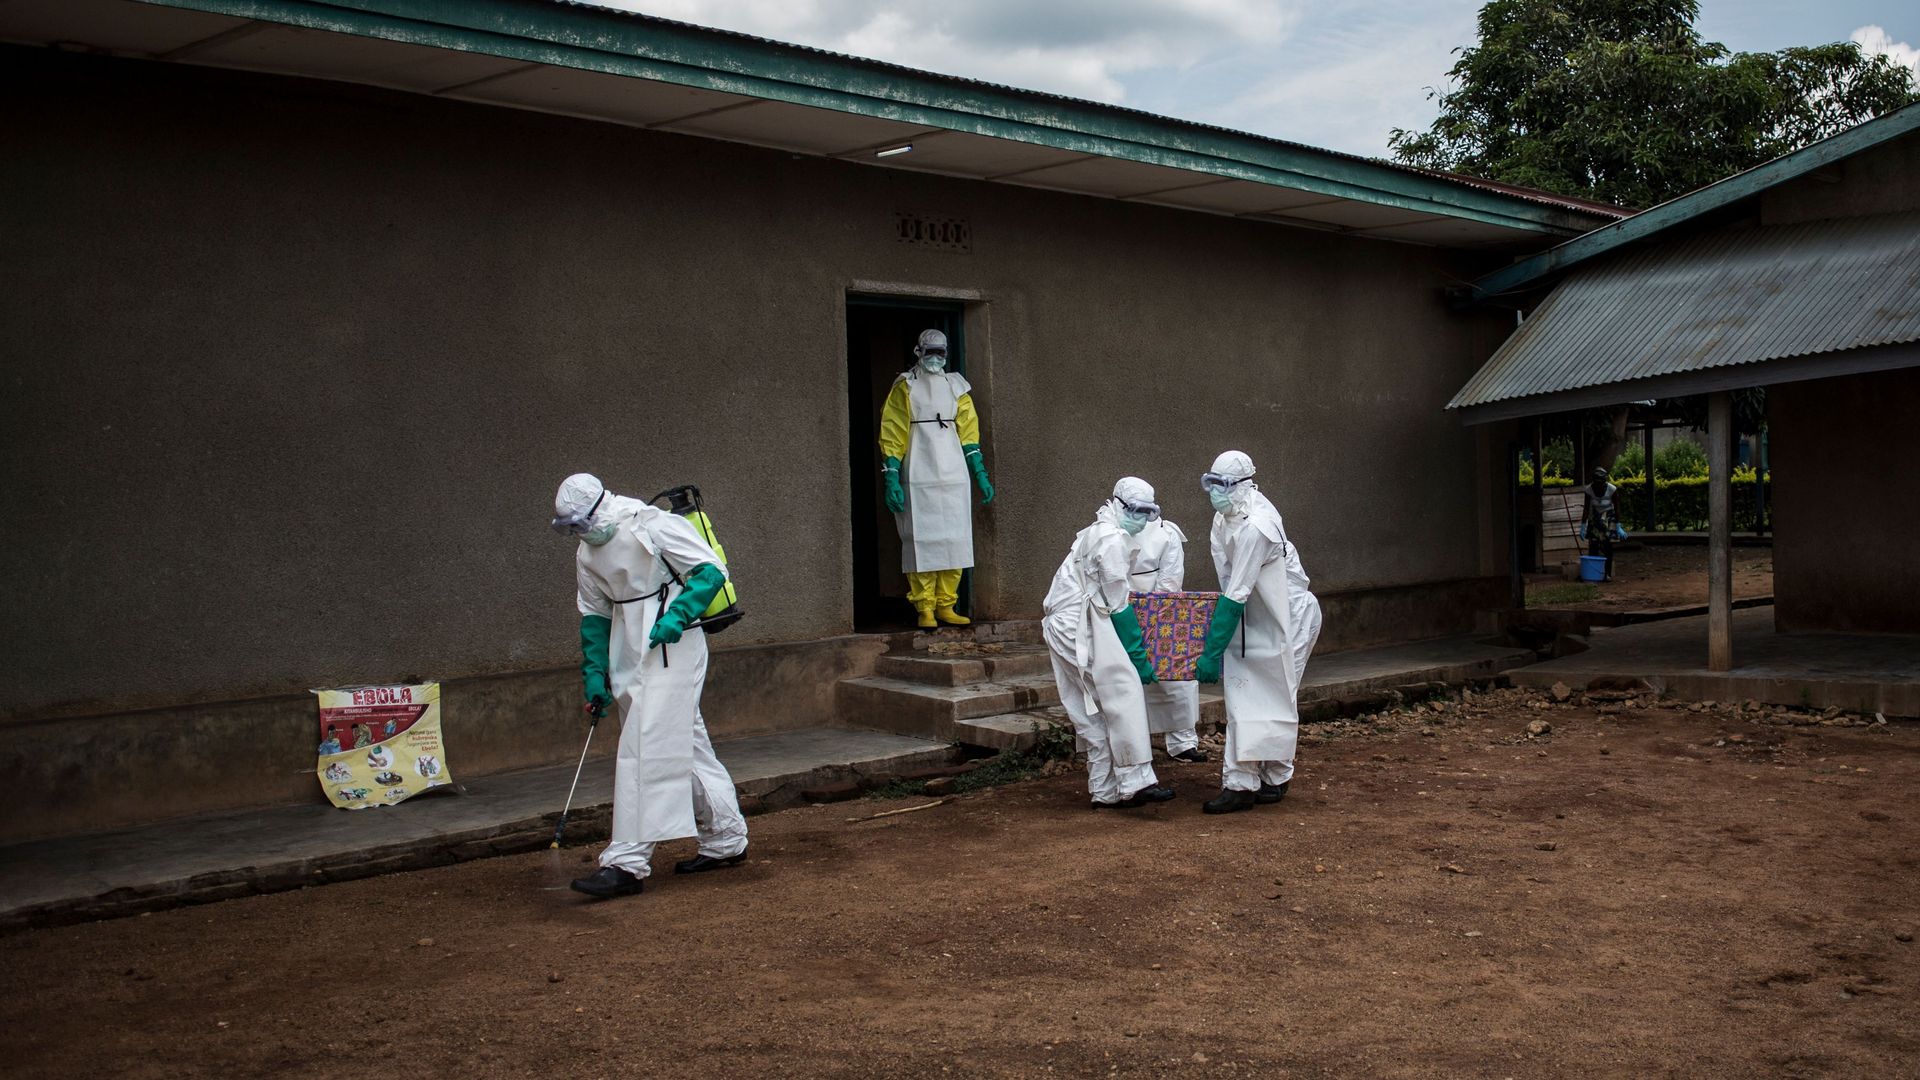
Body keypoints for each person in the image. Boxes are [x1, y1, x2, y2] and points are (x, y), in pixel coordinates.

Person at [551, 473, 749, 898]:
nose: (582, 534)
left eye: (583, 524)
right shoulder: (587, 553)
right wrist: (594, 674)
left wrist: (679, 616)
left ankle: (627, 861)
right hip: (629, 646)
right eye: (573, 529)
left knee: (648, 741)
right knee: (685, 740)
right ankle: (726, 839)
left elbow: (711, 570)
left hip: (672, 642)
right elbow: (594, 615)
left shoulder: (651, 524)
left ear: (600, 506)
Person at [1193, 451, 1322, 814]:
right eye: (1211, 483)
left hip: (1288, 618)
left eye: (1223, 485)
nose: (1215, 492)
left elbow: (1235, 593)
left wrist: (1212, 650)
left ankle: (1250, 782)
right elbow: (1230, 584)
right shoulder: (1224, 519)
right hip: (1257, 615)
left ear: (1244, 484)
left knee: (1274, 696)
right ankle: (1264, 778)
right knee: (1247, 695)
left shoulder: (1257, 526)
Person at [1041, 479, 1177, 809]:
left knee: (1091, 710)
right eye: (1135, 511)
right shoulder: (1110, 539)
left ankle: (1104, 790)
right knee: (1121, 690)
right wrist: (1139, 658)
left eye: (1148, 512)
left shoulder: (1098, 530)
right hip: (1076, 624)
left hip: (1068, 622)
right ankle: (1136, 780)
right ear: (1118, 504)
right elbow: (1118, 604)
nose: (1141, 518)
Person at [879, 329, 995, 628]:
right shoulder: (905, 387)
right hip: (918, 468)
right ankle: (925, 606)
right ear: (918, 351)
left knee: (954, 538)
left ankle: (947, 603)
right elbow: (893, 431)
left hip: (953, 471)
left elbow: (969, 432)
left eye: (940, 353)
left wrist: (979, 473)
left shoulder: (957, 387)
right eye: (930, 352)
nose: (935, 358)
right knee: (922, 538)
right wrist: (891, 475)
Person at [1117, 477, 1207, 763]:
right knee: (1122, 678)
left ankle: (1182, 741)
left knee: (1175, 676)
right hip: (1116, 609)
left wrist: (1153, 614)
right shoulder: (1107, 530)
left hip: (1159, 610)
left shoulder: (1167, 534)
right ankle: (1130, 744)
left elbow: (1170, 579)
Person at [1581, 467, 1620, 581]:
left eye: (1601, 484)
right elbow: (1586, 508)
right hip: (1596, 515)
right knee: (1593, 544)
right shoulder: (1589, 490)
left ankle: (1606, 573)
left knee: (1607, 546)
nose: (1598, 486)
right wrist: (1583, 525)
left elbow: (1617, 508)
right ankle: (1593, 572)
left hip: (1608, 515)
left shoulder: (1612, 489)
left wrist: (1618, 524)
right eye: (1596, 484)